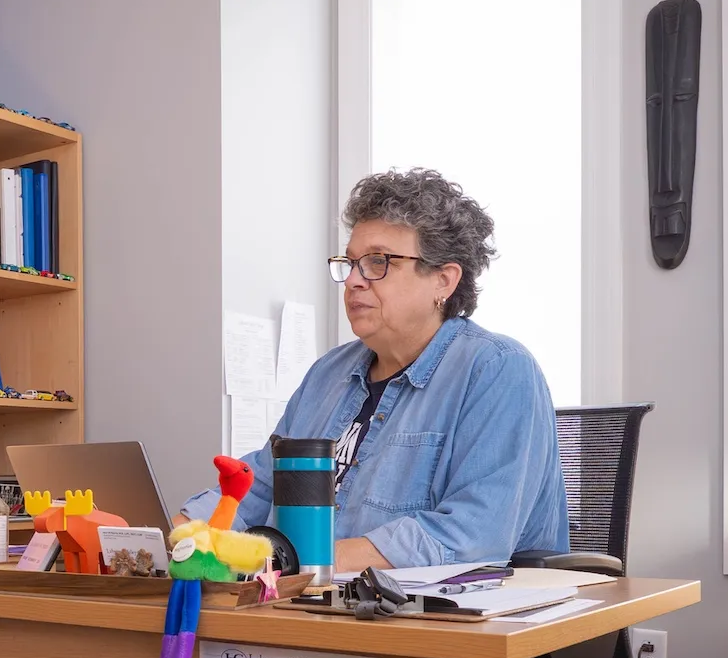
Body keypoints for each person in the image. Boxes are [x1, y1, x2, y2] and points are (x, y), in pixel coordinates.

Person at [187, 168, 566, 570]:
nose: (353, 281)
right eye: (350, 264)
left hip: (435, 617)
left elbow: (473, 535)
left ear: (443, 280)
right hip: (310, 602)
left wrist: (309, 561)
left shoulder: (497, 370)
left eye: (378, 262)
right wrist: (172, 537)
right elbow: (258, 486)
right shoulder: (327, 373)